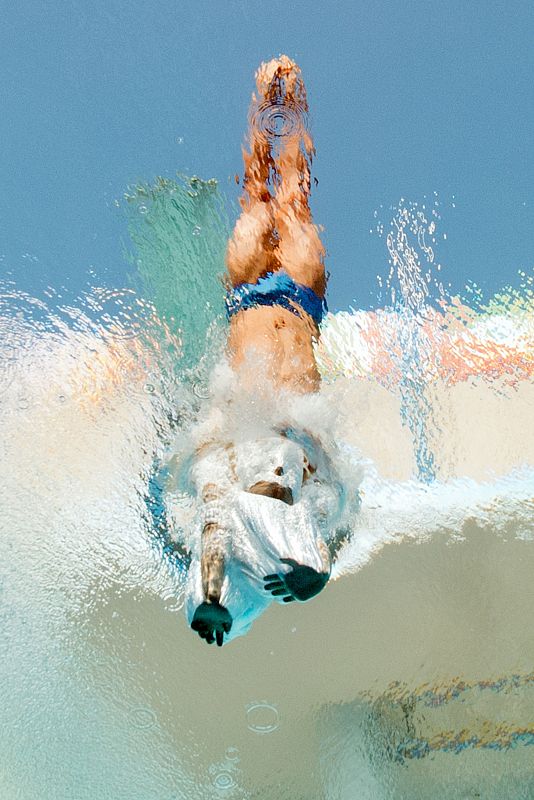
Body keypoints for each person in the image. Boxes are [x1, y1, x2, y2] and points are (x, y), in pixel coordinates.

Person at [178, 56, 347, 645]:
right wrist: (287, 98)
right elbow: (293, 176)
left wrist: (269, 96)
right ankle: (277, 544)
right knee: (285, 194)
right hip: (291, 345)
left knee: (219, 467)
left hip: (251, 352)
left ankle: (218, 558)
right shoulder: (300, 247)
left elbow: (266, 175)